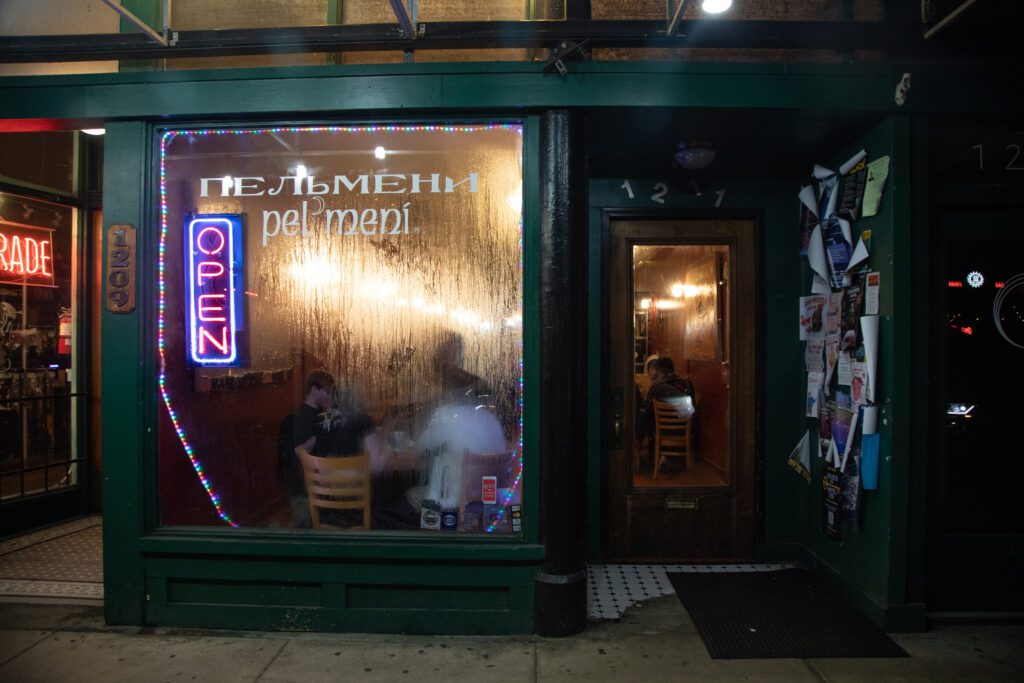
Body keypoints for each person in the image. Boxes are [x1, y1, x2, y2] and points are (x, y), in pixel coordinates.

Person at [277, 369, 334, 528]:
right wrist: (318, 438)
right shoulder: (293, 420)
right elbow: (288, 455)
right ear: (314, 390)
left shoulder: (326, 415)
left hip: (325, 486)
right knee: (304, 530)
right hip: (302, 490)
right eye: (327, 391)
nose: (330, 396)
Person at [639, 356, 696, 470]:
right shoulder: (687, 384)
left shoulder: (656, 388)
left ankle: (648, 458)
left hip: (663, 431)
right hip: (685, 430)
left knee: (644, 417)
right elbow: (691, 407)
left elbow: (645, 409)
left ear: (658, 371)